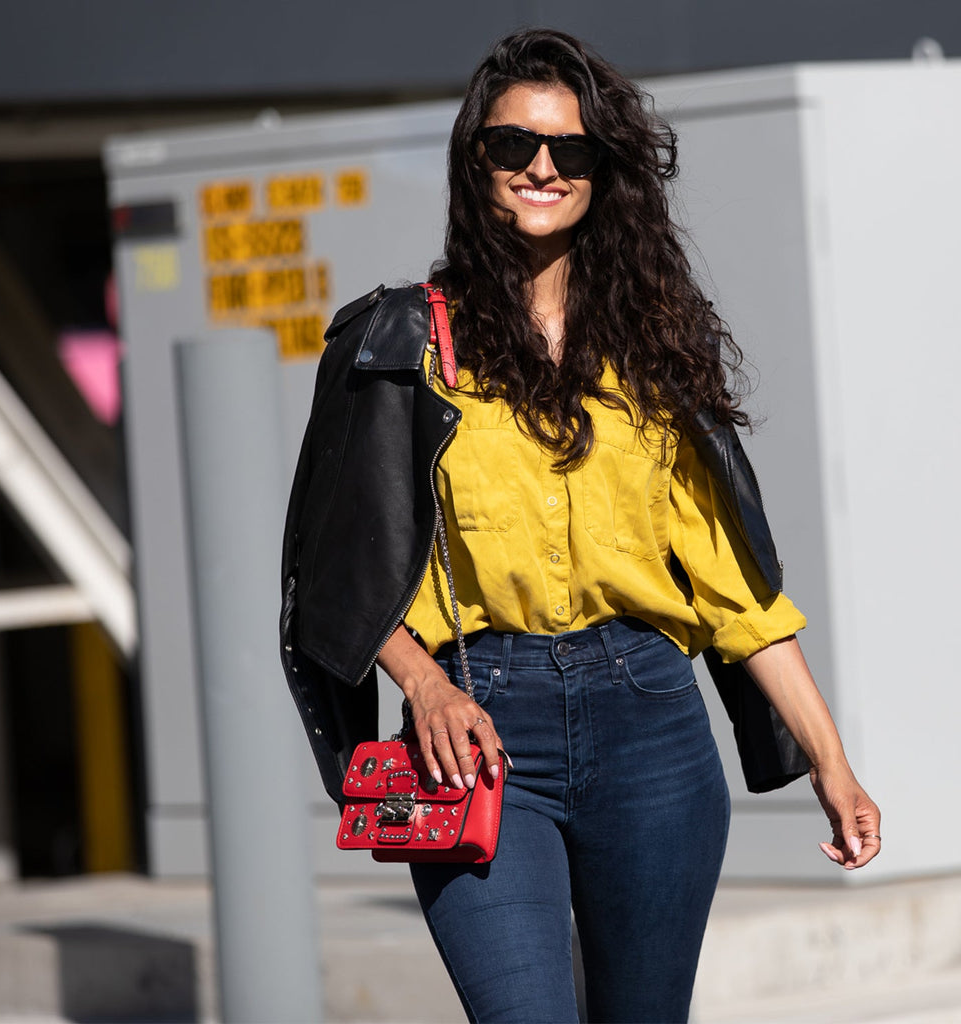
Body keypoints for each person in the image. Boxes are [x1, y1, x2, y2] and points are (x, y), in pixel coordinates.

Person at [281, 27, 881, 1024]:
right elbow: (337, 570)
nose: (541, 168)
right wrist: (423, 683)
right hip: (477, 726)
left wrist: (831, 760)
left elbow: (737, 594)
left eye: (571, 150)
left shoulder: (653, 352)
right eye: (514, 145)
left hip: (650, 722)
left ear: (606, 174)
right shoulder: (397, 344)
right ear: (478, 164)